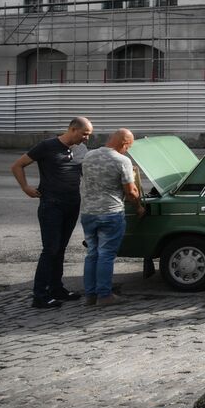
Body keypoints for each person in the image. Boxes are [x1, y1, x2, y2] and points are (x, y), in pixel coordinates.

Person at [12, 116, 93, 309]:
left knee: (61, 249)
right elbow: (17, 165)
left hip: (72, 204)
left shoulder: (81, 149)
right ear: (73, 129)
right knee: (50, 249)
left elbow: (85, 174)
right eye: (85, 134)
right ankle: (39, 295)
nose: (87, 138)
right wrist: (25, 187)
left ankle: (56, 289)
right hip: (52, 205)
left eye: (89, 135)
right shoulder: (47, 146)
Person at [78, 128, 145, 307]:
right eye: (128, 147)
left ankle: (90, 295)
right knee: (106, 254)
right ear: (124, 143)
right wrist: (139, 207)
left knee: (92, 254)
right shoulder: (122, 161)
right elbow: (130, 192)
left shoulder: (89, 156)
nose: (127, 150)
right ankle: (104, 295)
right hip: (110, 213)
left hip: (88, 213)